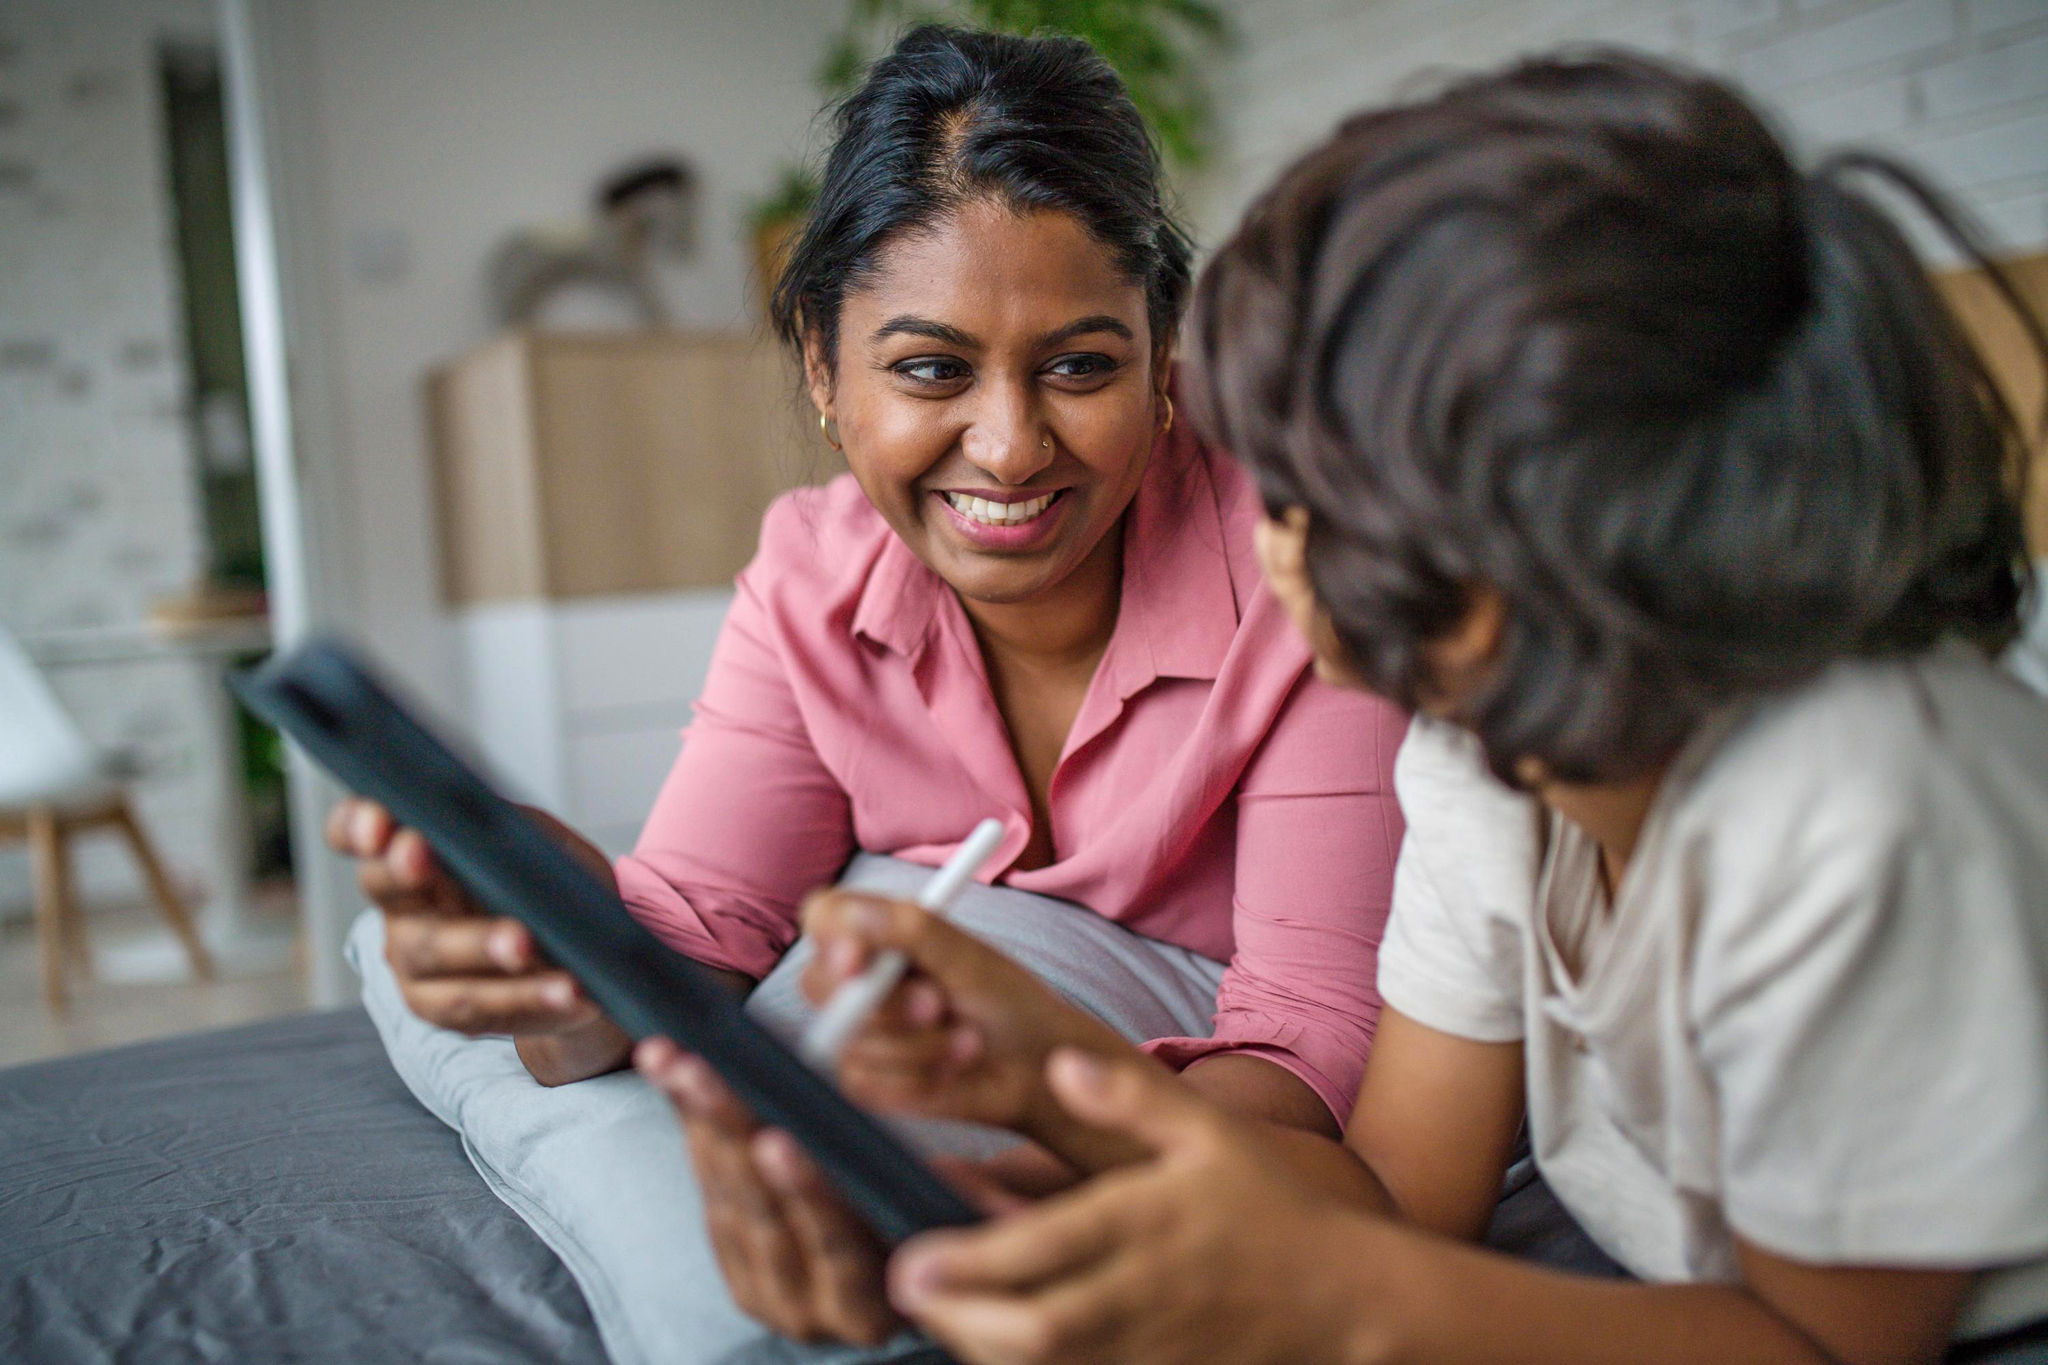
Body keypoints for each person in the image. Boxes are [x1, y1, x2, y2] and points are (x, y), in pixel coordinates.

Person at [734, 50, 2048, 1365]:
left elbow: (1833, 1345)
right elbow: (1399, 1193)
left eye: (1302, 493)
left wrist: (1340, 1293)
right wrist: (1046, 1087)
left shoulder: (1856, 802)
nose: (1258, 533)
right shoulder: (1490, 758)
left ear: (1516, 549)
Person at [331, 24, 1408, 1350]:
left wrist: (1052, 1140)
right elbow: (693, 941)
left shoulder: (1303, 572)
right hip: (953, 998)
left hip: (1192, 1053)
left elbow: (1310, 1067)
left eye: (1081, 364)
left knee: (791, 1097)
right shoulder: (810, 574)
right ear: (822, 374)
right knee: (404, 957)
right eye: (930, 369)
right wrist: (554, 962)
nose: (1009, 447)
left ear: (1164, 359)